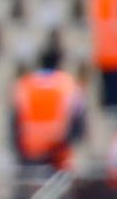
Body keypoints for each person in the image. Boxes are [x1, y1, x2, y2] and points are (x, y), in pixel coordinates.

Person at [11, 41, 85, 175]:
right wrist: (69, 142)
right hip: (57, 150)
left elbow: (15, 117)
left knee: (31, 189)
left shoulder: (25, 84)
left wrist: (17, 147)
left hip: (29, 148)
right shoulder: (67, 84)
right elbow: (78, 118)